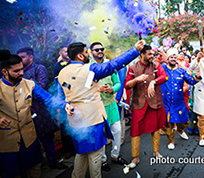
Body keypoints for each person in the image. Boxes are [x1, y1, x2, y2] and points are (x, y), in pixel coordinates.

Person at [58, 41, 143, 178]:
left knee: (81, 154)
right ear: (80, 56)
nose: (88, 55)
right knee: (95, 157)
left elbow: (64, 96)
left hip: (76, 121)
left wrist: (65, 106)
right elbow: (112, 65)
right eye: (86, 52)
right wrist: (135, 50)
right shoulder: (89, 69)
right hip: (92, 119)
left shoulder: (63, 72)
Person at [0, 54, 72, 178]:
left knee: (34, 171)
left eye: (22, 69)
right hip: (7, 143)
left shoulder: (29, 84)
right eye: (16, 71)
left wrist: (65, 105)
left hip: (30, 139)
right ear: (4, 72)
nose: (21, 73)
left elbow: (48, 99)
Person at [17, 47, 67, 169]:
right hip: (25, 112)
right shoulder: (18, 72)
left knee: (47, 138)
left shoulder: (39, 69)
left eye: (22, 57)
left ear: (31, 57)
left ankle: (52, 162)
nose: (20, 60)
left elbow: (41, 86)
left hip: (41, 111)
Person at [124, 45, 168, 168]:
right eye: (149, 54)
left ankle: (156, 152)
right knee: (135, 131)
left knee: (155, 129)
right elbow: (127, 85)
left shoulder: (156, 65)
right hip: (139, 104)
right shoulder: (133, 68)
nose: (151, 57)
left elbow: (165, 76)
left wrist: (153, 82)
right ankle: (135, 158)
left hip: (154, 103)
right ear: (142, 55)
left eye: (152, 54)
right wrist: (136, 79)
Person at [90, 42, 127, 171]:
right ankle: (103, 160)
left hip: (111, 104)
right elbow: (85, 87)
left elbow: (117, 83)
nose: (100, 51)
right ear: (91, 52)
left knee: (117, 131)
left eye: (101, 49)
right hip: (97, 106)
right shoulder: (89, 67)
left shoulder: (109, 65)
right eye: (96, 50)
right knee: (101, 134)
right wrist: (98, 89)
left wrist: (113, 89)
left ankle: (115, 155)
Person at [161, 48, 201, 150]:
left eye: (175, 57)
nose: (173, 59)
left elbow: (191, 81)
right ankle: (171, 141)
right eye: (171, 57)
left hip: (179, 102)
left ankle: (180, 129)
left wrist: (197, 77)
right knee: (168, 123)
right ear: (168, 59)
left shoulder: (181, 71)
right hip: (166, 102)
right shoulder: (163, 69)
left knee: (184, 121)